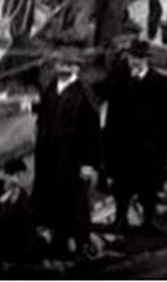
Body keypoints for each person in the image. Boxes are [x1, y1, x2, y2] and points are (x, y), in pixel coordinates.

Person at [100, 40, 167, 232]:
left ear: (147, 60)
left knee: (148, 186)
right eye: (132, 57)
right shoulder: (119, 79)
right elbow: (99, 93)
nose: (135, 62)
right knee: (121, 184)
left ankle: (148, 221)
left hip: (147, 146)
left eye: (139, 58)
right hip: (122, 143)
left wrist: (159, 142)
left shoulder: (160, 83)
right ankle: (120, 218)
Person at [32, 55, 102, 257]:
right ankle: (56, 240)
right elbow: (46, 114)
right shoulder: (52, 88)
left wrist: (89, 164)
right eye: (61, 64)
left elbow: (92, 133)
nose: (64, 68)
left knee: (74, 201)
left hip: (73, 158)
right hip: (50, 156)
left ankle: (80, 244)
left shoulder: (84, 94)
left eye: (69, 65)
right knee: (51, 196)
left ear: (77, 68)